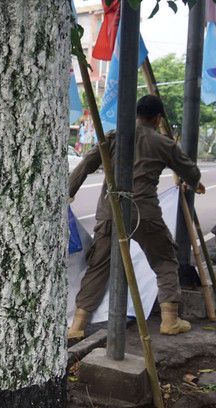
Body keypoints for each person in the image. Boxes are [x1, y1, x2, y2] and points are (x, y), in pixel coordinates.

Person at [68, 94, 205, 339]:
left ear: (136, 115)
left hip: (112, 213)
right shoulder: (164, 143)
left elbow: (86, 165)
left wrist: (68, 192)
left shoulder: (113, 136)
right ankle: (170, 319)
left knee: (99, 267)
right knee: (165, 261)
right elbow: (190, 171)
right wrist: (194, 183)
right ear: (156, 119)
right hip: (145, 214)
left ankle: (77, 326)